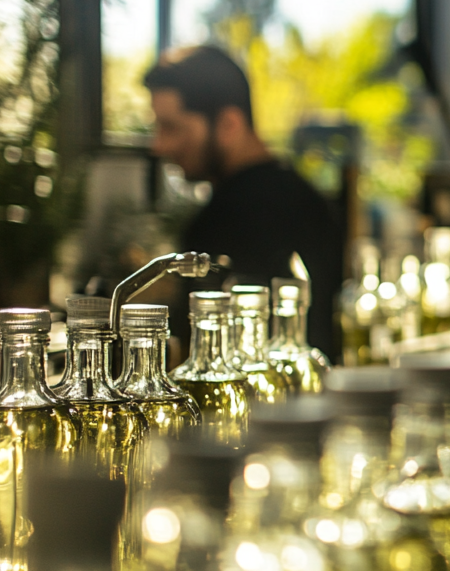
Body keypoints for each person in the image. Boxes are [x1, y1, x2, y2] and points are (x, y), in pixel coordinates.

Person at [144, 46, 342, 361]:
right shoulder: (311, 200)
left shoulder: (223, 221)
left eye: (171, 127)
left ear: (229, 124)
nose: (158, 145)